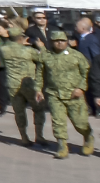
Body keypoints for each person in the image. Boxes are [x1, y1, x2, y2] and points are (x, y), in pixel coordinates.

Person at [36, 29, 95, 159]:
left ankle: (88, 136)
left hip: (74, 95)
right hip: (54, 94)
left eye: (62, 40)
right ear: (51, 42)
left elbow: (86, 73)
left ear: (67, 41)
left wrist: (81, 88)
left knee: (80, 123)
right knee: (58, 121)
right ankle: (62, 146)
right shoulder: (45, 56)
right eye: (56, 41)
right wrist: (38, 89)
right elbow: (39, 74)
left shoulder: (77, 56)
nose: (60, 43)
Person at [0, 27, 46, 147]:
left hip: (13, 84)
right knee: (38, 108)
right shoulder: (28, 51)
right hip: (28, 83)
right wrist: (41, 47)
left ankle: (24, 137)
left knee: (19, 111)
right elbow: (43, 58)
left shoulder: (3, 49)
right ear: (21, 38)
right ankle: (39, 136)